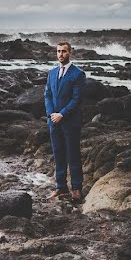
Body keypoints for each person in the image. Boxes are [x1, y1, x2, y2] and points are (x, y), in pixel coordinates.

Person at [44, 41, 86, 201]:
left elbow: (76, 99)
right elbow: (47, 94)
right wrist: (51, 114)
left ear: (70, 53)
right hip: (53, 122)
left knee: (73, 155)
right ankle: (61, 187)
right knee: (58, 155)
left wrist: (61, 114)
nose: (61, 54)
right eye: (58, 51)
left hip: (70, 122)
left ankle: (76, 188)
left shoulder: (78, 74)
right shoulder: (52, 73)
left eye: (64, 51)